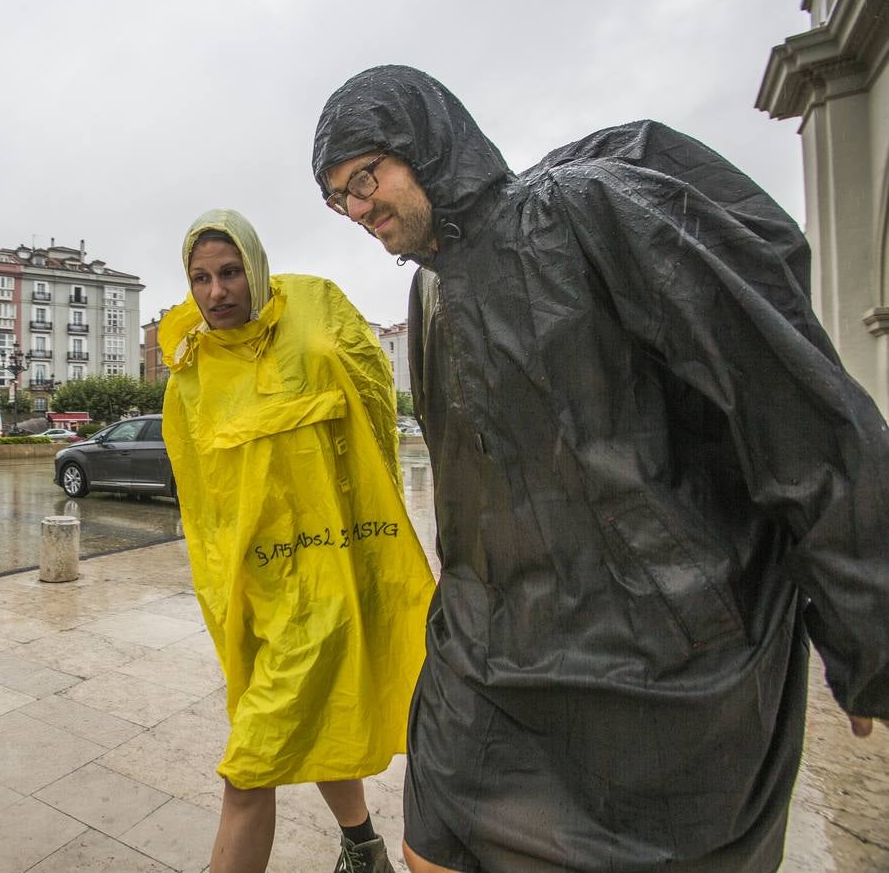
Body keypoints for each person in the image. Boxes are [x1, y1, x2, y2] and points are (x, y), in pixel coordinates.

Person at [311, 64, 889, 873]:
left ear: (429, 147)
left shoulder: (584, 210)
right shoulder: (430, 298)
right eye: (340, 198)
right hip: (490, 653)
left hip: (657, 663)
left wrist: (868, 629)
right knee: (430, 850)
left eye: (365, 178)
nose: (357, 208)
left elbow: (785, 405)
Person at [159, 209, 436, 873]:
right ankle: (363, 846)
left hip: (330, 583)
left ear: (255, 267)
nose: (215, 292)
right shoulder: (192, 371)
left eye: (229, 273)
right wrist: (230, 600)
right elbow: (206, 500)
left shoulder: (316, 315)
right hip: (265, 594)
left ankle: (362, 848)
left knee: (249, 768)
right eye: (200, 278)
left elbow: (374, 412)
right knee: (315, 725)